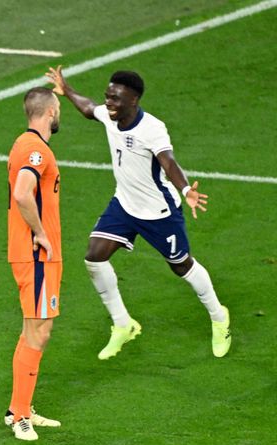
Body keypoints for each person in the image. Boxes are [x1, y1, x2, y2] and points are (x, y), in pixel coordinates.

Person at [46, 66, 230, 359]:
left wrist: (186, 191)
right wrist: (65, 89)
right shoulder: (109, 115)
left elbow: (168, 162)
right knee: (94, 257)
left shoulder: (152, 129)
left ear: (134, 100)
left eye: (116, 99)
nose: (109, 103)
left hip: (158, 211)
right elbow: (88, 109)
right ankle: (123, 324)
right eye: (108, 96)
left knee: (181, 265)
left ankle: (219, 317)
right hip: (124, 205)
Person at [4, 87, 65, 442]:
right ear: (50, 112)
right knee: (39, 331)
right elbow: (22, 192)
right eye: (58, 110)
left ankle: (18, 409)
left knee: (35, 329)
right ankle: (21, 417)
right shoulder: (35, 150)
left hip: (34, 254)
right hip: (36, 254)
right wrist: (41, 234)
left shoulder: (23, 144)